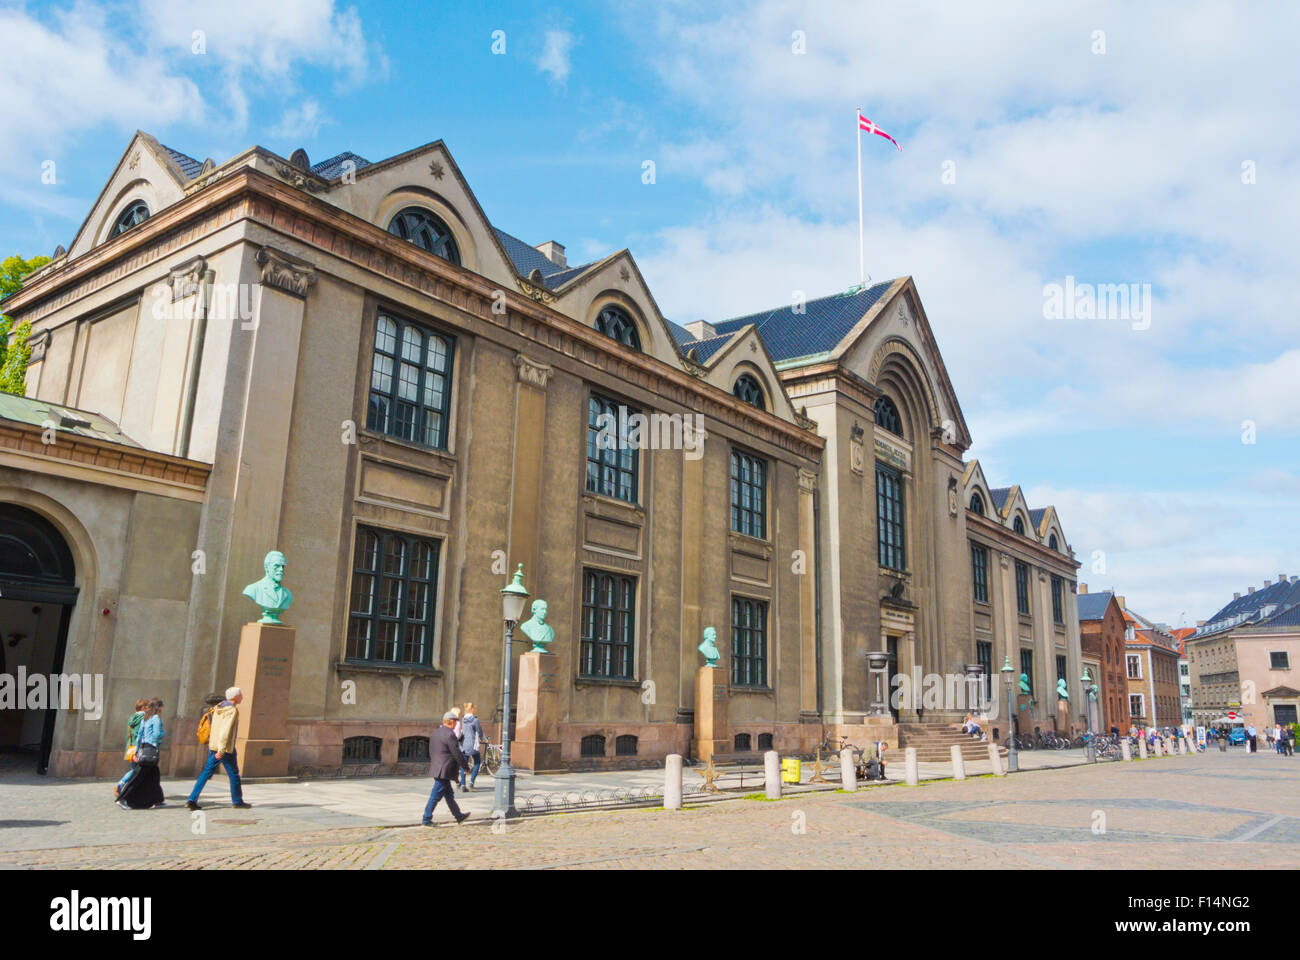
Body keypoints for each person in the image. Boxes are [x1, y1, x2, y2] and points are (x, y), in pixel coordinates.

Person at [186, 686, 250, 811]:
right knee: (234, 774)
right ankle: (237, 801)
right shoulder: (231, 710)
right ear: (235, 697)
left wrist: (216, 747)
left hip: (214, 745)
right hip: (224, 748)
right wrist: (222, 749)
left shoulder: (217, 708)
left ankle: (192, 799)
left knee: (206, 772)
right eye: (241, 694)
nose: (242, 696)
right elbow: (225, 731)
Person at [423, 709, 470, 825]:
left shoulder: (435, 733)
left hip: (437, 767)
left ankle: (458, 816)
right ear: (451, 722)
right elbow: (456, 753)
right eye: (455, 722)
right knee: (435, 795)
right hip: (444, 770)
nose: (456, 724)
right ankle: (426, 819)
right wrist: (465, 767)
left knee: (449, 795)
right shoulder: (450, 734)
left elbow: (432, 751)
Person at [117, 698, 166, 809]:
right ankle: (123, 798)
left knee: (154, 775)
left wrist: (137, 751)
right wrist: (163, 733)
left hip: (143, 748)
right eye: (162, 707)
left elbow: (139, 736)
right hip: (151, 749)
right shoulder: (156, 718)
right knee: (138, 775)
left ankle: (157, 800)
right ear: (158, 708)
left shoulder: (145, 719)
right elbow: (157, 734)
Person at [114, 698, 147, 800]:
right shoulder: (142, 718)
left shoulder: (133, 717)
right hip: (137, 748)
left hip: (131, 747)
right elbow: (139, 735)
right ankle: (121, 784)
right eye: (147, 707)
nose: (148, 709)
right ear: (143, 708)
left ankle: (134, 790)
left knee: (136, 770)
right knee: (135, 770)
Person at [458, 702, 484, 791]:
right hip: (472, 745)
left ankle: (463, 785)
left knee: (463, 765)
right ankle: (471, 783)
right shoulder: (475, 720)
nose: (476, 709)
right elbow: (480, 732)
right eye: (475, 708)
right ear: (472, 709)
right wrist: (483, 739)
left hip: (463, 744)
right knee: (477, 762)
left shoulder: (463, 719)